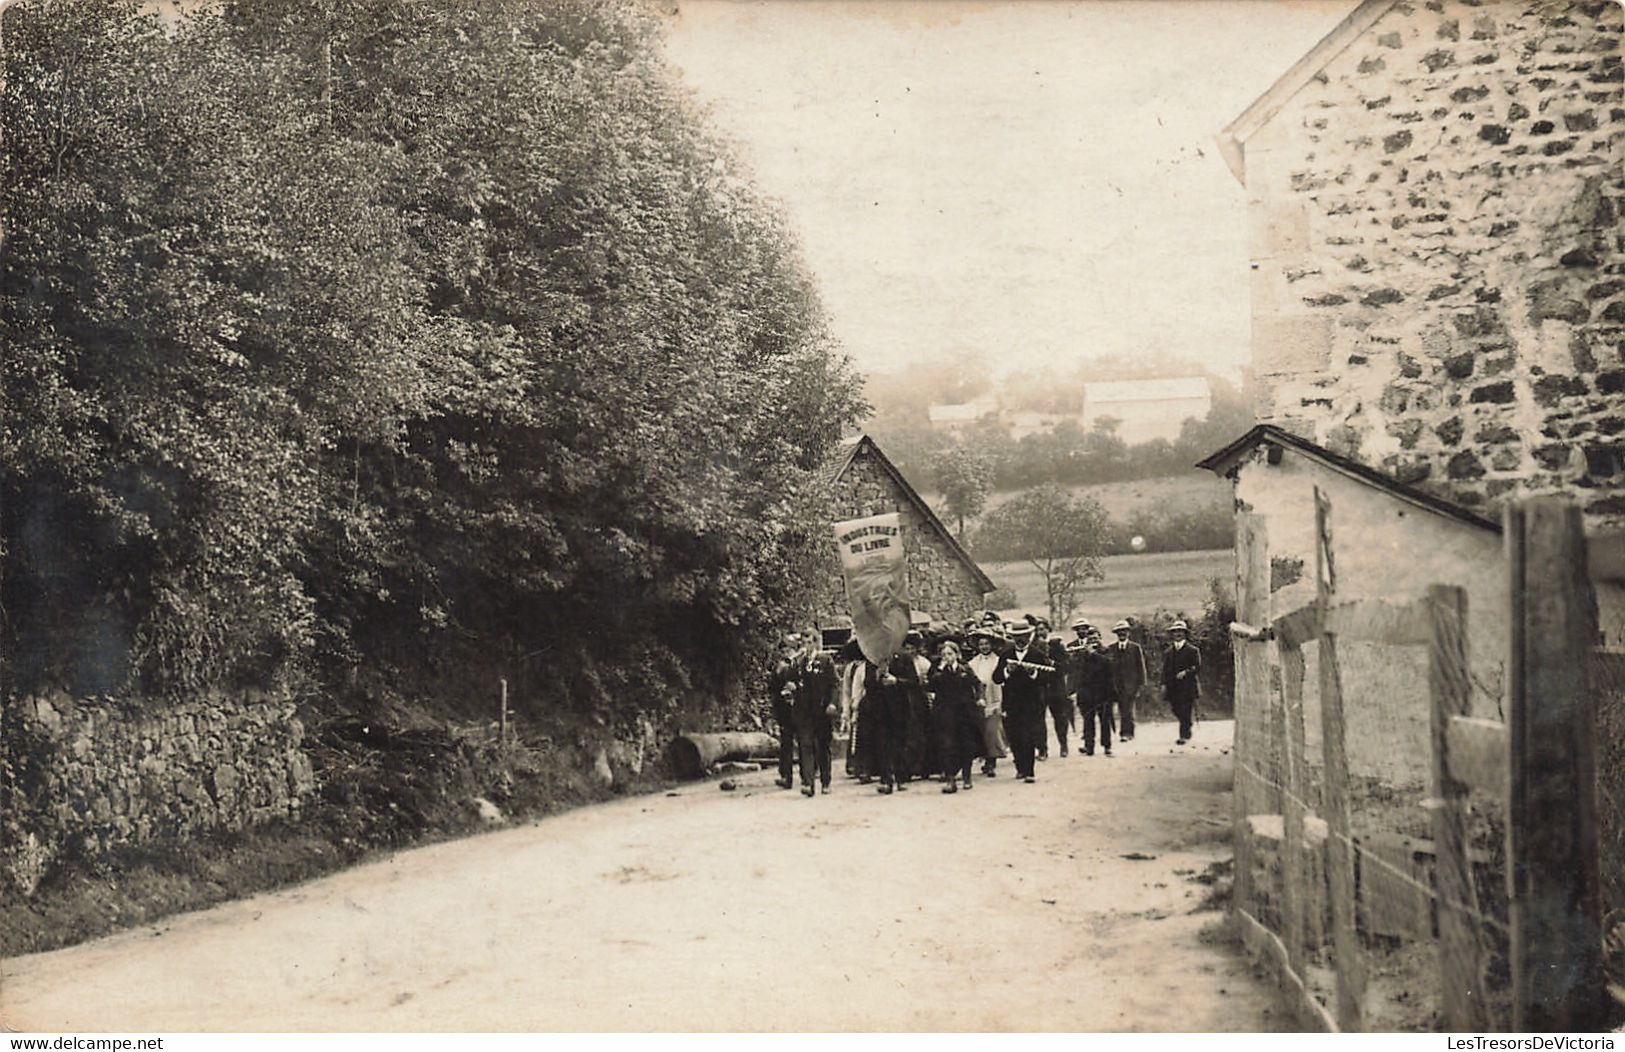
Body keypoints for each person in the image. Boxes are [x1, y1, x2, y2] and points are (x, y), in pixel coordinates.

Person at [994, 621, 1053, 783]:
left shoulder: (1037, 655)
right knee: (1014, 736)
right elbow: (996, 678)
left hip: (1031, 703)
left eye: (1024, 637)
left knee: (1028, 736)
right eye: (1017, 637)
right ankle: (1020, 767)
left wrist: (1034, 673)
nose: (1020, 640)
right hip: (1011, 703)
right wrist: (1007, 671)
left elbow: (1048, 678)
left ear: (1029, 636)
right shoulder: (1006, 655)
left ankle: (1029, 771)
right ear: (1012, 638)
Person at [788, 627, 840, 796]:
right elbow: (790, 680)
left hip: (822, 710)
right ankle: (808, 782)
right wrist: (791, 687)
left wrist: (832, 703)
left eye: (810, 642)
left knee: (823, 746)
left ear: (816, 643)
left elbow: (834, 684)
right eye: (804, 643)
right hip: (804, 711)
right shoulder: (798, 662)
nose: (807, 646)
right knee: (806, 744)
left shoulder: (826, 660)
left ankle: (825, 781)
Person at [928, 640, 983, 792]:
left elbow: (977, 683)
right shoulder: (938, 671)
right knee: (947, 746)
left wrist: (979, 698)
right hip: (945, 714)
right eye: (944, 654)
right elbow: (930, 686)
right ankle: (950, 778)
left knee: (966, 745)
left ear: (957, 655)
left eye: (950, 654)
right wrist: (939, 670)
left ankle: (967, 777)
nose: (947, 657)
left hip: (964, 714)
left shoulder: (964, 669)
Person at [864, 645, 919, 794]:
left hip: (900, 709)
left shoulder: (904, 657)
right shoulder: (872, 658)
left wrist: (897, 681)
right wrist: (876, 676)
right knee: (882, 744)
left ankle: (901, 777)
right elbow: (867, 684)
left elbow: (914, 681)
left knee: (900, 743)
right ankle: (886, 779)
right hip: (880, 710)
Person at [1071, 625, 1119, 757]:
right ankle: (1089, 746)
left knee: (1105, 720)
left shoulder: (1107, 651)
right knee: (1087, 721)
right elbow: (1076, 671)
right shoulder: (1081, 653)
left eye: (1095, 638)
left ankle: (1107, 746)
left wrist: (1094, 654)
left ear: (1100, 638)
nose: (1093, 641)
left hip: (1104, 693)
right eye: (1090, 638)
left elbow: (1110, 664)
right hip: (1087, 693)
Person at [967, 627, 1007, 777]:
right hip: (979, 700)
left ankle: (992, 762)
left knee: (992, 731)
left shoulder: (998, 661)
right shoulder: (972, 663)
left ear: (992, 645)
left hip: (994, 698)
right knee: (981, 731)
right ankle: (984, 758)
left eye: (987, 644)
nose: (984, 647)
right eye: (981, 644)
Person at [1104, 618, 1148, 743]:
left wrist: (1140, 685)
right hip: (1114, 686)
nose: (1122, 634)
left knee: (1127, 710)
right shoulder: (1111, 648)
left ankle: (1127, 733)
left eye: (1124, 631)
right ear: (1116, 634)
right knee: (1115, 710)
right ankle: (1113, 733)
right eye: (1119, 632)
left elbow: (1141, 667)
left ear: (1128, 633)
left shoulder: (1135, 648)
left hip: (1130, 686)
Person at [1035, 618, 1072, 759]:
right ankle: (1042, 750)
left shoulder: (1057, 645)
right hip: (1041, 688)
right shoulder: (1035, 646)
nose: (1041, 632)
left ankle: (1063, 745)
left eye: (1043, 629)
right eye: (1038, 630)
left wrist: (1053, 663)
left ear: (1048, 630)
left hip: (1057, 687)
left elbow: (1067, 666)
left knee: (1060, 718)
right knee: (1039, 720)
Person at [767, 634, 799, 789]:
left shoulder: (800, 664)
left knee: (805, 740)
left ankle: (811, 772)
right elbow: (772, 689)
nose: (786, 652)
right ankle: (786, 775)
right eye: (784, 649)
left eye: (789, 648)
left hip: (799, 708)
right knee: (786, 742)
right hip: (785, 710)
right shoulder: (779, 667)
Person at [1163, 619, 1202, 745]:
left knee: (1185, 710)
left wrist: (1186, 672)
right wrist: (1163, 684)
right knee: (1175, 709)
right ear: (1172, 634)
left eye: (1180, 631)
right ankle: (1187, 724)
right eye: (1175, 631)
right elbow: (1165, 670)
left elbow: (1197, 667)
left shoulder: (1193, 650)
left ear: (1185, 633)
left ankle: (1183, 735)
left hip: (1188, 687)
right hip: (1173, 687)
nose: (1178, 634)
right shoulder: (1168, 652)